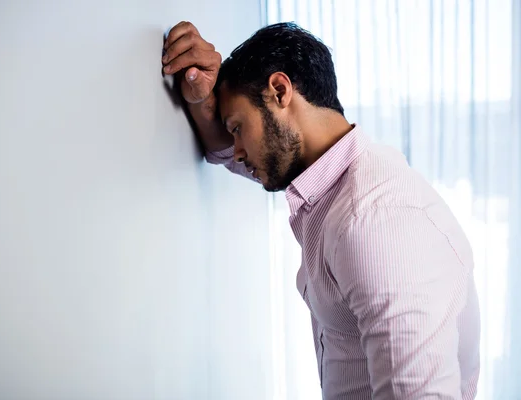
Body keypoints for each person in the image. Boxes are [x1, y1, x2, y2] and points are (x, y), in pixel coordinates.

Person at [162, 21, 480, 399]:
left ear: (280, 91)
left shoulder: (373, 221)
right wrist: (203, 101)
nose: (239, 152)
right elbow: (222, 151)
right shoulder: (334, 184)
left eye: (237, 128)